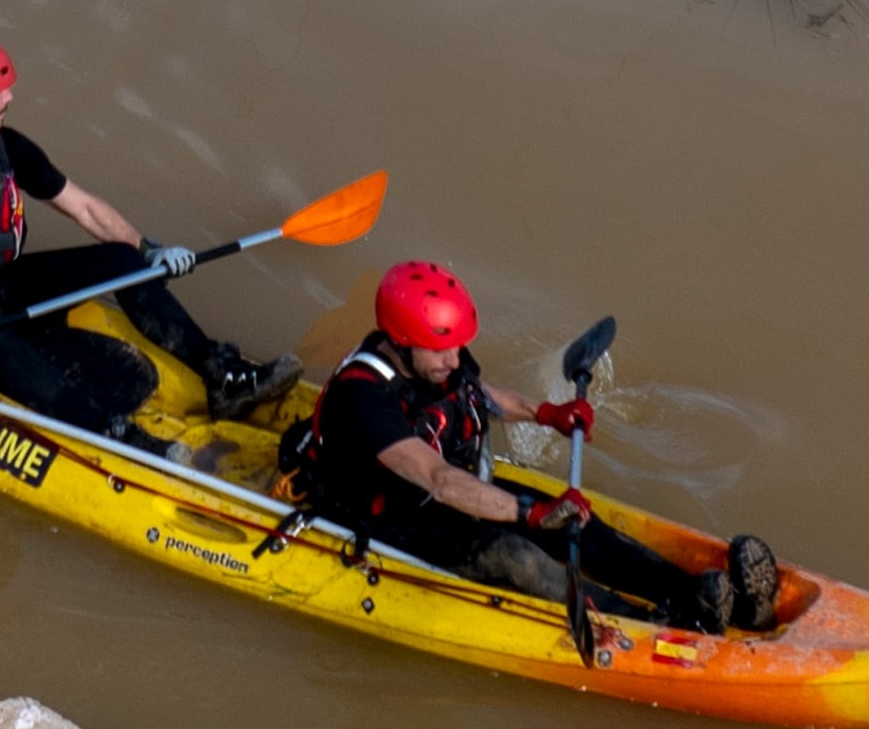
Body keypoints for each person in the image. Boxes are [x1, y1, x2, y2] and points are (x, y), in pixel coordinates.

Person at [283, 262, 783, 635]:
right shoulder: (363, 397)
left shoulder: (435, 355)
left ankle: (707, 597)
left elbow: (478, 398)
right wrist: (529, 513)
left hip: (450, 493)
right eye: (443, 349)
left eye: (458, 345)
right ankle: (654, 624)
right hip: (393, 517)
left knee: (580, 525)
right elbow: (437, 478)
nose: (455, 359)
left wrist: (547, 413)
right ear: (400, 339)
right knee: (514, 553)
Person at [0, 33, 293, 444]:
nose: (9, 98)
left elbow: (83, 207)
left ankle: (222, 373)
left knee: (121, 261)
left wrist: (148, 251)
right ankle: (109, 432)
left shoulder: (3, 147)